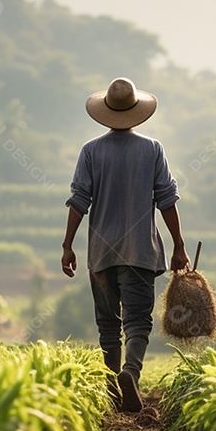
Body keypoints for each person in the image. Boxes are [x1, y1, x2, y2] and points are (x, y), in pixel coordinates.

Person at [61, 77, 189, 413]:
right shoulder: (152, 149)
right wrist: (178, 245)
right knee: (138, 321)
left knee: (107, 324)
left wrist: (67, 245)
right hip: (140, 252)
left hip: (101, 253)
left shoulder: (91, 151)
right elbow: (167, 200)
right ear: (136, 110)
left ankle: (111, 386)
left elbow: (78, 202)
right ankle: (130, 372)